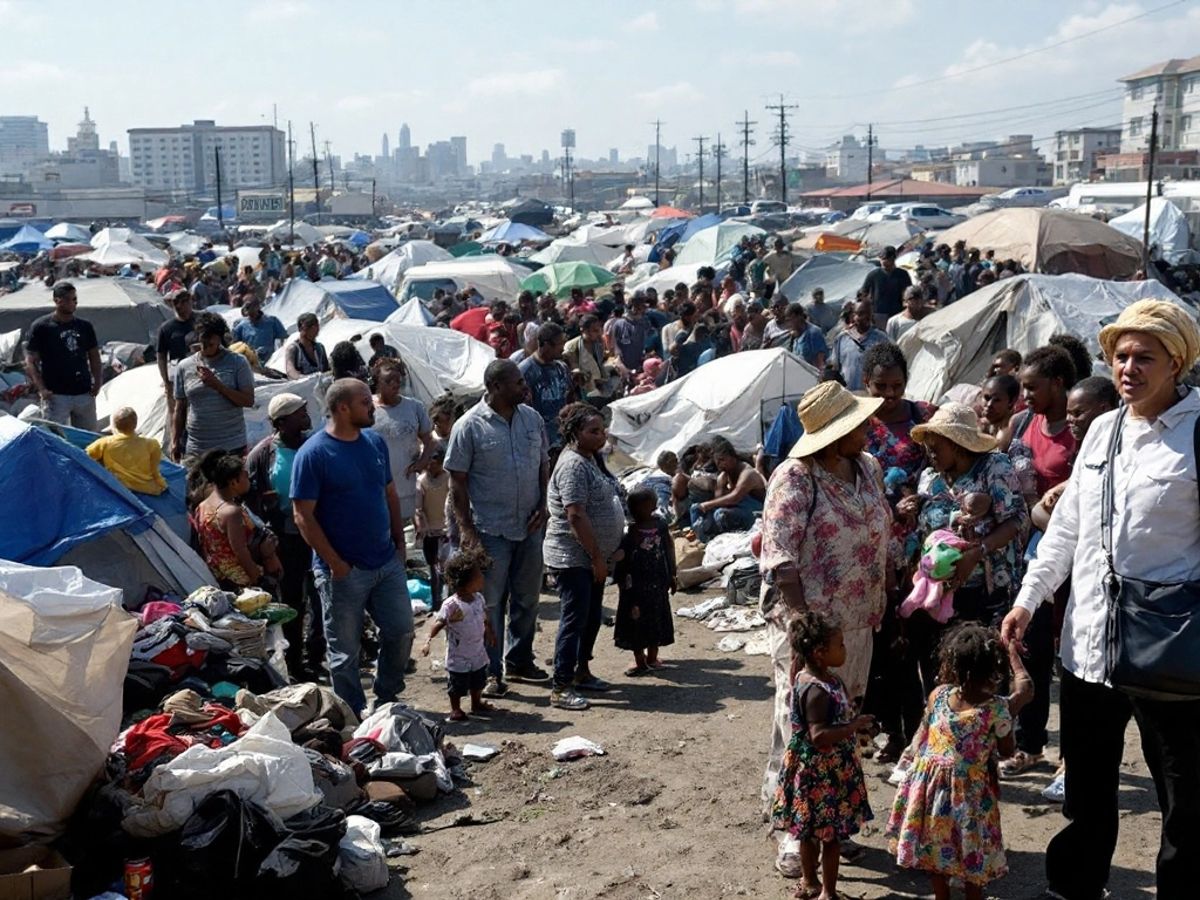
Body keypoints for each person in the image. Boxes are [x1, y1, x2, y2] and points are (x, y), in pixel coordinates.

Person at [1002, 300, 1200, 900]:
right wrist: (1028, 599)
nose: (1129, 368)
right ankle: (1075, 887)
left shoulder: (1197, 435)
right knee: (1087, 788)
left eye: (1145, 356)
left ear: (1178, 362)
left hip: (1172, 649)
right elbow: (1067, 530)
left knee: (1184, 799)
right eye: (1120, 355)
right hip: (1088, 645)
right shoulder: (1103, 431)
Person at [758, 381, 892, 878]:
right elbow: (781, 560)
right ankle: (794, 831)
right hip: (810, 632)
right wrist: (802, 633)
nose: (869, 428)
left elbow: (881, 536)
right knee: (799, 728)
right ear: (836, 434)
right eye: (859, 423)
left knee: (844, 721)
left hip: (859, 623)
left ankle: (833, 823)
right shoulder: (795, 477)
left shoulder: (868, 468)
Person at [291, 378, 415, 716]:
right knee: (345, 651)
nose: (372, 406)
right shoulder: (314, 454)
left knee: (401, 631)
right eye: (364, 402)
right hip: (343, 572)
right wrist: (335, 563)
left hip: (385, 561)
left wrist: (400, 543)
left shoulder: (374, 442)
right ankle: (352, 712)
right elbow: (303, 516)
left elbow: (388, 493)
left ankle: (387, 699)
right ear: (342, 408)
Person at [886, 624, 1032, 900]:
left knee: (936, 853)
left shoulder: (938, 694)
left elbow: (930, 732)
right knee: (971, 858)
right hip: (970, 797)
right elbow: (1007, 750)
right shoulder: (996, 710)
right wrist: (1014, 657)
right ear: (994, 670)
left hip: (930, 793)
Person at [446, 359, 550, 697]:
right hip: (490, 531)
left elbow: (543, 465)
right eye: (518, 383)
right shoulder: (469, 427)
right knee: (488, 604)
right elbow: (457, 484)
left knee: (527, 598)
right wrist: (467, 530)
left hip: (530, 526)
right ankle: (490, 671)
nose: (525, 387)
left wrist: (544, 505)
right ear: (495, 387)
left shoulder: (532, 419)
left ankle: (520, 660)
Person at [905, 404, 1027, 687]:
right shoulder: (930, 478)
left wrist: (978, 552)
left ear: (958, 445)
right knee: (946, 674)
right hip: (941, 596)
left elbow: (1016, 520)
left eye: (937, 448)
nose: (930, 454)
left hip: (987, 592)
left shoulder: (994, 467)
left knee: (985, 674)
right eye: (928, 448)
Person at [860, 341, 937, 759]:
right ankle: (894, 730)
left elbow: (947, 464)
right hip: (876, 544)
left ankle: (927, 730)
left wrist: (921, 499)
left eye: (897, 385)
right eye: (880, 386)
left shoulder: (925, 416)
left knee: (922, 637)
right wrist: (889, 507)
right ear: (865, 383)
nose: (890, 395)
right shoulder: (858, 424)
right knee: (887, 643)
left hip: (923, 543)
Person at [772, 611, 874, 900]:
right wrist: (852, 727)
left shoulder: (817, 677)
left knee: (808, 833)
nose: (845, 649)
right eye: (839, 645)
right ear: (819, 653)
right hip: (823, 774)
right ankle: (827, 892)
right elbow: (818, 735)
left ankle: (810, 882)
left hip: (813, 772)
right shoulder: (817, 690)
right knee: (829, 836)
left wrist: (854, 723)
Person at [542, 403, 625, 710]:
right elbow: (575, 515)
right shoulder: (573, 466)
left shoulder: (590, 458)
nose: (601, 435)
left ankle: (581, 672)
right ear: (575, 433)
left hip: (592, 557)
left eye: (602, 430)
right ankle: (561, 687)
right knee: (574, 619)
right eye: (593, 431)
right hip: (574, 557)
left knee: (590, 617)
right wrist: (596, 557)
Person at [245, 392, 323, 680]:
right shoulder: (263, 454)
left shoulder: (313, 446)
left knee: (321, 596)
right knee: (292, 601)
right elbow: (249, 500)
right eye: (299, 413)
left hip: (317, 533)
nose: (306, 416)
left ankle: (318, 653)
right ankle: (294, 662)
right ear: (282, 422)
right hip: (285, 539)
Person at [419, 547, 498, 722]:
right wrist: (428, 641)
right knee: (457, 683)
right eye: (478, 576)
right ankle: (456, 709)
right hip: (459, 654)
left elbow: (484, 618)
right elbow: (439, 623)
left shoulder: (478, 599)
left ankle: (476, 703)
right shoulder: (452, 605)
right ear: (465, 581)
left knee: (478, 680)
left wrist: (490, 633)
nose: (482, 579)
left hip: (477, 650)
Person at [171, 312, 255, 464]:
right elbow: (180, 408)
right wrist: (175, 441)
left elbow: (248, 400)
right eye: (204, 341)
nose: (207, 346)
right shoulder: (184, 366)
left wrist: (217, 385)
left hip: (231, 447)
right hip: (196, 447)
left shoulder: (238, 362)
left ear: (220, 338)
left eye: (211, 342)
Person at [193, 450, 281, 590]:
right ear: (234, 482)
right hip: (241, 581)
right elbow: (241, 551)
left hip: (217, 577)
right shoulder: (232, 512)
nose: (249, 479)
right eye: (245, 475)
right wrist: (257, 579)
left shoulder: (202, 506)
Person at [613, 487, 677, 676]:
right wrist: (621, 580)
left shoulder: (660, 526)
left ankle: (651, 658)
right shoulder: (631, 532)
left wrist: (672, 574)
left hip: (657, 582)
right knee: (637, 620)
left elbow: (668, 548)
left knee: (654, 617)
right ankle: (641, 661)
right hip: (636, 587)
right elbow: (623, 559)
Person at [25, 281, 102, 429]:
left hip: (83, 392)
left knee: (89, 438)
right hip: (56, 394)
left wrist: (98, 382)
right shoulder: (42, 326)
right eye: (69, 299)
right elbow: (30, 361)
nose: (74, 303)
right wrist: (41, 388)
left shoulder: (84, 326)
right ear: (57, 300)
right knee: (55, 438)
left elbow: (94, 356)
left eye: (75, 299)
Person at [370, 357, 434, 537]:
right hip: (378, 488)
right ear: (377, 382)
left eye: (398, 380)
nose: (395, 385)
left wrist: (422, 461)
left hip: (407, 486)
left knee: (408, 536)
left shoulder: (414, 407)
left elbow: (429, 440)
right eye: (389, 381)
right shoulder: (368, 409)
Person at [689, 436, 766, 542]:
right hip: (739, 508)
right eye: (717, 462)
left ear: (732, 457)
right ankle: (705, 539)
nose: (720, 464)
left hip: (758, 512)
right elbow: (719, 498)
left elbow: (735, 497)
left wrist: (707, 505)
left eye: (722, 460)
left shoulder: (747, 473)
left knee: (721, 515)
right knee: (695, 508)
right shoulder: (724, 476)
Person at [519, 322, 574, 452]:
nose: (562, 348)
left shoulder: (562, 368)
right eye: (559, 344)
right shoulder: (524, 372)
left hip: (563, 437)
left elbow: (570, 398)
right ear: (545, 344)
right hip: (539, 442)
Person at [86, 406, 167, 495]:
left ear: (114, 425)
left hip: (118, 487)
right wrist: (162, 484)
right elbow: (154, 470)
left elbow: (85, 456)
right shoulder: (152, 444)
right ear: (136, 424)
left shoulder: (104, 443)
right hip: (146, 488)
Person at [415, 441, 451, 608]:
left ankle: (448, 602)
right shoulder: (421, 481)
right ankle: (436, 603)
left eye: (433, 461)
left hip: (447, 531)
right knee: (433, 569)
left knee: (447, 568)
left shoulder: (448, 478)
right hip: (430, 532)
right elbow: (418, 509)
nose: (430, 465)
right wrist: (423, 527)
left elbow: (453, 503)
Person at [156, 289, 196, 433]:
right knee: (176, 414)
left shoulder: (200, 322)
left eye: (186, 302)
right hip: (176, 377)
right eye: (178, 303)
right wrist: (166, 380)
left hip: (199, 375)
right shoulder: (166, 328)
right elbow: (161, 356)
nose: (183, 306)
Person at [829, 300, 888, 391]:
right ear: (853, 316)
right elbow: (835, 366)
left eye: (868, 313)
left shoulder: (881, 339)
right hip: (847, 394)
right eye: (861, 313)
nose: (865, 317)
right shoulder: (842, 339)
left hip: (872, 395)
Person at [564, 314, 618, 405]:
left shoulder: (598, 343)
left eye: (599, 330)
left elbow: (599, 363)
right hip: (583, 390)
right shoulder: (572, 346)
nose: (599, 333)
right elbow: (575, 371)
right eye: (595, 331)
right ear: (583, 330)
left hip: (600, 384)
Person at [861, 246, 912, 331]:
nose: (883, 261)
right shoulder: (873, 275)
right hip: (878, 314)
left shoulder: (902, 274)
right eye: (882, 259)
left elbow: (909, 292)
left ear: (893, 259)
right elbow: (863, 293)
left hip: (897, 312)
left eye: (886, 259)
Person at [610, 293, 650, 374]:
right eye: (637, 306)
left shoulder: (645, 322)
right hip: (624, 369)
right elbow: (615, 349)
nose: (641, 309)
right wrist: (624, 369)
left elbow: (647, 344)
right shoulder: (619, 324)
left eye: (642, 306)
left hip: (641, 367)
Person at [782, 303, 828, 370]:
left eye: (790, 320)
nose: (789, 323)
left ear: (798, 317)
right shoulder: (795, 336)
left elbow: (820, 360)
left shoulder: (814, 333)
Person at [285, 313, 330, 379]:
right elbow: (290, 371)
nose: (314, 329)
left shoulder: (320, 349)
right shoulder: (294, 349)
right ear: (301, 328)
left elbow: (326, 370)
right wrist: (305, 379)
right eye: (310, 326)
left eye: (316, 326)